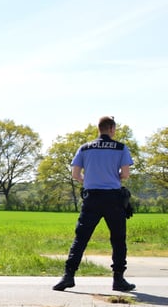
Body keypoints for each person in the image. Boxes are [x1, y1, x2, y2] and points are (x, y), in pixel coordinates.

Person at [53, 116, 135, 292]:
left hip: (92, 198)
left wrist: (88, 180)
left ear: (99, 129)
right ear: (112, 129)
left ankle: (68, 276)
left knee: (81, 238)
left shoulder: (85, 148)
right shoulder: (120, 148)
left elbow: (75, 174)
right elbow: (126, 174)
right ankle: (118, 279)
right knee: (118, 239)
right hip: (113, 199)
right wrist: (113, 177)